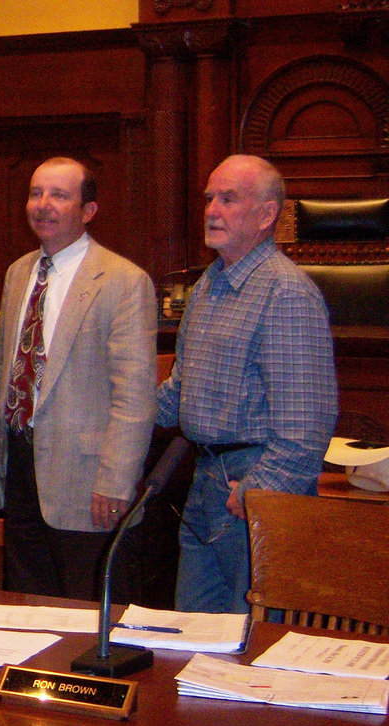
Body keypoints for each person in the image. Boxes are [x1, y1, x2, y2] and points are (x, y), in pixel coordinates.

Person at [156, 154, 337, 613]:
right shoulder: (206, 287)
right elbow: (179, 397)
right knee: (193, 645)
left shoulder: (286, 293)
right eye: (210, 198)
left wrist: (255, 492)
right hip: (204, 484)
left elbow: (304, 430)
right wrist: (113, 401)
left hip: (253, 494)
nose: (212, 209)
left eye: (229, 199)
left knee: (251, 655)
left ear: (267, 215)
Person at [0, 157, 157, 601]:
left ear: (88, 211)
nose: (43, 205)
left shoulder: (124, 281)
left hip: (88, 480)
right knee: (29, 608)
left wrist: (117, 480)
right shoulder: (18, 272)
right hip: (20, 465)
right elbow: (6, 370)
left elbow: (134, 395)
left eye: (59, 195)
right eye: (36, 193)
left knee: (87, 615)